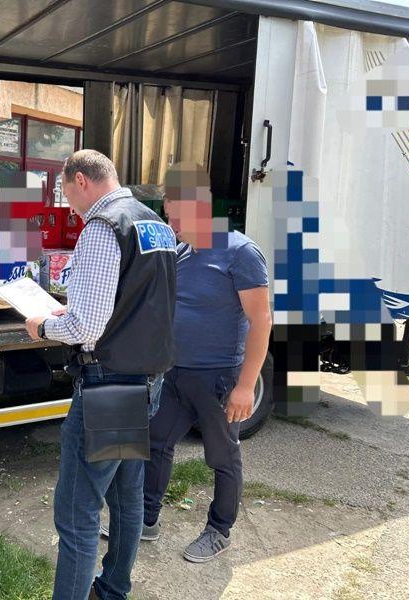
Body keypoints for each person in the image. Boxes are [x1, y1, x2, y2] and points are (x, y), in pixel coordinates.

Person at [25, 150, 176, 600]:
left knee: (77, 511)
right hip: (144, 380)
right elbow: (135, 303)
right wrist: (75, 313)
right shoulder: (154, 224)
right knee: (126, 498)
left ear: (81, 180)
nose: (69, 207)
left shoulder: (102, 227)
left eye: (66, 194)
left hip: (110, 386)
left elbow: (87, 328)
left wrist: (43, 326)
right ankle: (112, 590)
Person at [141, 162, 272, 563]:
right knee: (155, 444)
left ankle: (219, 530)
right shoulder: (182, 252)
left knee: (221, 455)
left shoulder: (240, 252)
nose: (173, 225)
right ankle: (146, 519)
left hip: (218, 378)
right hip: (174, 373)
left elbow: (261, 320)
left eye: (178, 217)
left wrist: (246, 386)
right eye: (169, 216)